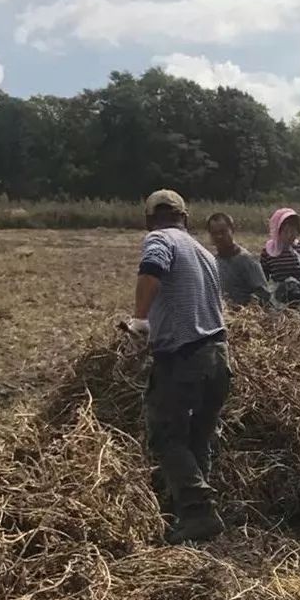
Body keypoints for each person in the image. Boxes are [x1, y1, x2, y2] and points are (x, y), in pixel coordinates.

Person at [124, 189, 230, 545]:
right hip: (218, 355)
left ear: (149, 220)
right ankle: (196, 509)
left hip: (185, 357)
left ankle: (198, 512)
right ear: (185, 218)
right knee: (198, 435)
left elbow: (152, 269)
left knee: (166, 433)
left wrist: (140, 320)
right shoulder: (203, 252)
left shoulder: (159, 239)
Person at [206, 212, 271, 307]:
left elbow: (263, 293)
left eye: (223, 232)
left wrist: (245, 309)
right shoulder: (212, 262)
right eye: (215, 233)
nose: (219, 237)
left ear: (232, 230)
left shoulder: (246, 260)